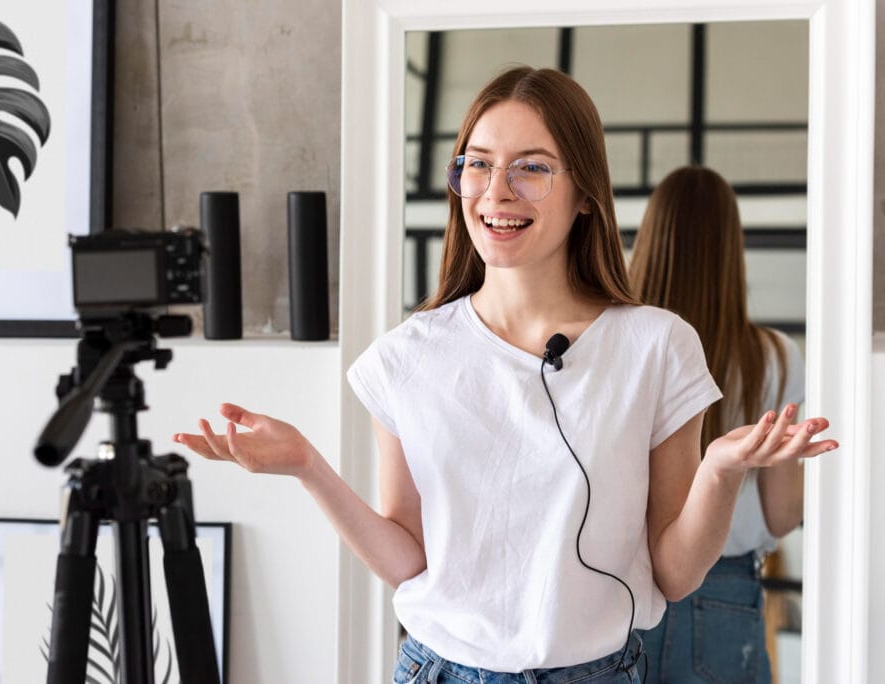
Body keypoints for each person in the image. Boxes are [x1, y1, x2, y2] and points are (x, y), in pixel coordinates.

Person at [173, 67, 835, 683]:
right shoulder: (407, 356)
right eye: (478, 165)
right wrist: (306, 466)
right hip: (439, 667)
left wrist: (719, 470)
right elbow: (409, 560)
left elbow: (675, 574)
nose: (496, 192)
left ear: (585, 194)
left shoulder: (657, 347)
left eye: (532, 169)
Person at [629, 165, 806, 683]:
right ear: (732, 250)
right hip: (726, 592)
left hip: (625, 585)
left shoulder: (618, 344)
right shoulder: (776, 358)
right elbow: (780, 517)